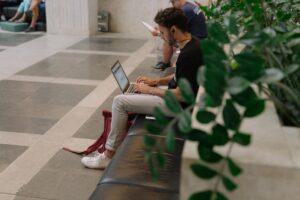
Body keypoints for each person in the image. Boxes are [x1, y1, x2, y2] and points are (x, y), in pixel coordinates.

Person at [81, 7, 204, 169]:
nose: (161, 36)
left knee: (119, 102)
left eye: (162, 32)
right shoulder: (192, 43)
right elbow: (177, 77)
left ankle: (108, 156)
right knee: (130, 96)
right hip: (177, 100)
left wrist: (150, 90)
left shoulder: (190, 54)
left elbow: (181, 95)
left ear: (173, 30)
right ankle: (110, 150)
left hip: (179, 107)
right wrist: (154, 82)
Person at [152, 0, 207, 70]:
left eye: (173, 2)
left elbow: (173, 30)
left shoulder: (184, 11)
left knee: (168, 39)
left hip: (197, 41)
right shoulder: (191, 6)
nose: (173, 6)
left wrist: (159, 33)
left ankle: (165, 63)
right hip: (202, 38)